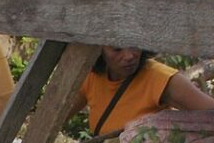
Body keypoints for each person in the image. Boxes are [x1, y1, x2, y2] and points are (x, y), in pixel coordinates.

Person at [71, 46, 214, 136]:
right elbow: (56, 113)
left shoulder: (161, 79)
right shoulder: (90, 78)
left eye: (134, 45)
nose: (129, 56)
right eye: (117, 49)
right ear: (99, 49)